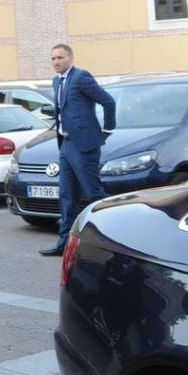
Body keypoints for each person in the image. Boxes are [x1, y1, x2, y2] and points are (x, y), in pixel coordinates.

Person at [41, 43, 116, 256]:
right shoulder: (57, 81)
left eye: (60, 58)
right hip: (65, 145)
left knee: (94, 194)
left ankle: (110, 241)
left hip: (84, 146)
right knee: (67, 196)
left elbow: (108, 101)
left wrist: (107, 130)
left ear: (70, 58)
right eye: (53, 58)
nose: (56, 62)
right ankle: (64, 245)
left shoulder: (81, 77)